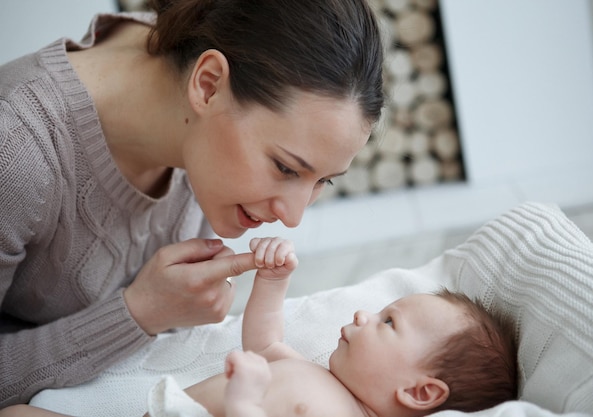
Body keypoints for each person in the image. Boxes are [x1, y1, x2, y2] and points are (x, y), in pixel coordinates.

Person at [0, 0, 385, 407]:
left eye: (322, 180)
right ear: (208, 84)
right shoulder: (17, 151)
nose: (292, 217)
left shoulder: (196, 57)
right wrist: (140, 313)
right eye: (286, 168)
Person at [0, 237, 518, 417]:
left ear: (421, 391)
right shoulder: (320, 379)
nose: (363, 314)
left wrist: (245, 403)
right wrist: (273, 282)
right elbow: (265, 342)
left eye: (388, 322)